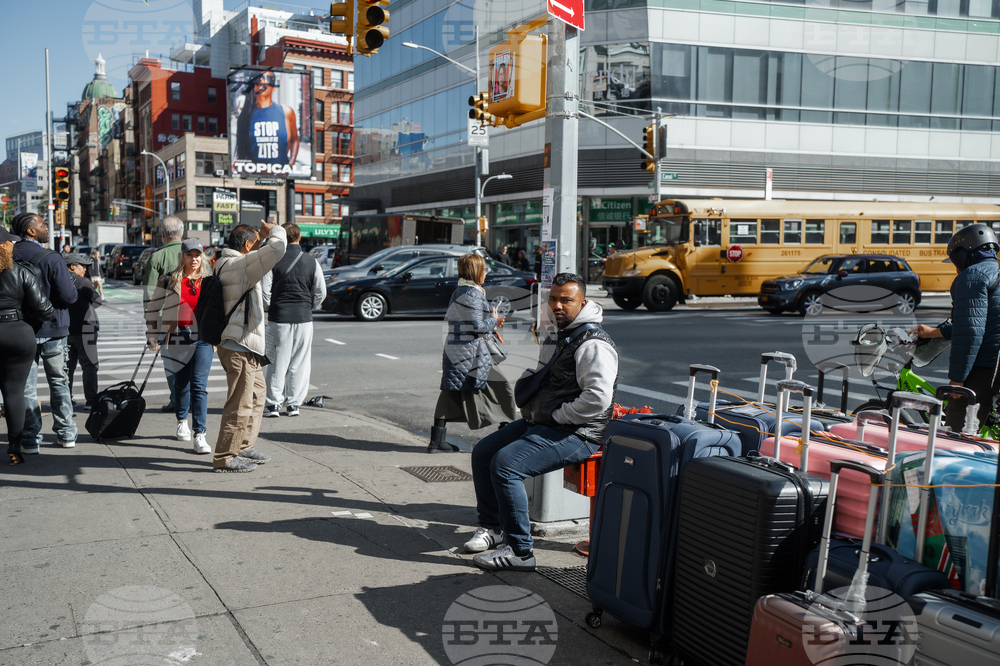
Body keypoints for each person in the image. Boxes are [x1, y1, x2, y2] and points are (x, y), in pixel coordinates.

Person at [465, 273, 619, 572]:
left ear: (583, 303)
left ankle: (520, 552)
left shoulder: (594, 344)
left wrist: (560, 416)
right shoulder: (561, 334)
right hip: (544, 421)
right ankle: (494, 528)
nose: (557, 305)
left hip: (578, 431)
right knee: (484, 453)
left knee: (506, 465)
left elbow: (598, 399)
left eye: (566, 300)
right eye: (553, 298)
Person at [910, 223, 1000, 431]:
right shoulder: (995, 272)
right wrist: (934, 332)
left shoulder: (972, 276)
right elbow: (983, 321)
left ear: (964, 252)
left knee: (957, 437)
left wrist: (957, 380)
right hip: (995, 371)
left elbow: (970, 330)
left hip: (983, 369)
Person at [212, 220, 287, 472]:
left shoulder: (226, 262)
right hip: (239, 345)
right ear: (246, 246)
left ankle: (244, 446)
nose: (259, 248)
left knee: (256, 397)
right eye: (256, 243)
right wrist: (276, 230)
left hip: (245, 345)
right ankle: (224, 456)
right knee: (240, 403)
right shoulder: (239, 266)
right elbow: (276, 250)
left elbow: (263, 254)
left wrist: (262, 239)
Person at [431, 254, 517, 453]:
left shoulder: (461, 290)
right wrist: (494, 321)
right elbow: (476, 326)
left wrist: (492, 323)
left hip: (460, 351)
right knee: (502, 386)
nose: (486, 273)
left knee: (450, 394)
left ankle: (436, 441)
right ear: (476, 271)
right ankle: (507, 435)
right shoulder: (472, 294)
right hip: (470, 354)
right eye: (484, 269)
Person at [11, 213, 79, 451]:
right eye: (42, 224)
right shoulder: (52, 257)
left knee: (27, 388)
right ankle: (66, 433)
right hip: (54, 329)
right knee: (59, 382)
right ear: (30, 231)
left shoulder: (7, 255)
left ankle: (30, 439)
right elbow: (69, 296)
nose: (46, 227)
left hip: (20, 330)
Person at [145, 239, 214, 454]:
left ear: (202, 257)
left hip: (202, 338)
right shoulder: (169, 280)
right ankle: (182, 420)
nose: (194, 259)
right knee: (181, 384)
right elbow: (153, 307)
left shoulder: (209, 281)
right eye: (189, 255)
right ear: (182, 256)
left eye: (197, 255)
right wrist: (152, 334)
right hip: (177, 336)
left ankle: (200, 434)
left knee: (199, 387)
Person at [0, 225, 54, 465]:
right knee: (14, 393)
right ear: (5, 246)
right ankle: (14, 448)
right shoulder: (20, 272)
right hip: (17, 334)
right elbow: (45, 310)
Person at [262, 223, 326, 418]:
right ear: (299, 238)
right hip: (304, 317)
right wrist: (310, 305)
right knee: (300, 361)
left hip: (279, 317)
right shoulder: (311, 261)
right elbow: (321, 292)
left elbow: (265, 292)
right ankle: (294, 405)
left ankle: (273, 405)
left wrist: (270, 307)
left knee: (276, 361)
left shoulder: (273, 261)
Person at [144, 216, 184, 413]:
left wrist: (151, 329)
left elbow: (150, 295)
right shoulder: (196, 255)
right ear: (182, 234)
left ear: (162, 235)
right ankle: (190, 399)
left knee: (170, 363)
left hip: (165, 320)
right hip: (193, 319)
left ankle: (177, 400)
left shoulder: (157, 258)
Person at [234, 71, 300, 167]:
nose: (263, 81)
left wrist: (292, 161)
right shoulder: (245, 116)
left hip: (280, 176)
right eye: (258, 80)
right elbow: (242, 146)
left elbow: (295, 140)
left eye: (268, 79)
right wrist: (237, 161)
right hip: (253, 175)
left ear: (274, 88)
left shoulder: (287, 112)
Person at [65, 253, 102, 408]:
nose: (85, 269)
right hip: (85, 329)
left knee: (67, 368)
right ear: (72, 266)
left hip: (66, 330)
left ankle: (66, 400)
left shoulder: (58, 281)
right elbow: (97, 301)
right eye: (82, 266)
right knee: (89, 366)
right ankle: (91, 400)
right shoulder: (83, 282)